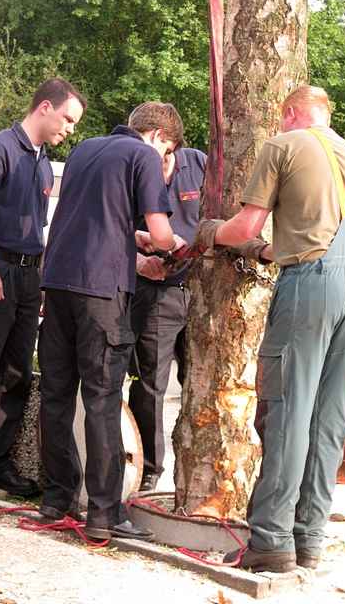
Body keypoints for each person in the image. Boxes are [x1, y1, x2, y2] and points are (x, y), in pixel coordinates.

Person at [198, 86, 345, 573]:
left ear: (291, 113)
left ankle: (272, 541)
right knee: (331, 416)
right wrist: (259, 250)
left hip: (310, 285)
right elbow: (298, 239)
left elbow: (245, 225)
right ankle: (309, 539)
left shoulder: (283, 146)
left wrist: (210, 231)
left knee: (288, 410)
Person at [38, 101, 186, 540]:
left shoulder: (85, 149)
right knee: (102, 399)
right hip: (101, 296)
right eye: (169, 153)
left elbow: (98, 223)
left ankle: (56, 497)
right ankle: (104, 514)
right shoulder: (144, 156)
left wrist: (136, 253)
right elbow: (160, 232)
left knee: (56, 396)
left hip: (59, 283)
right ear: (161, 138)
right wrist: (167, 245)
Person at [0, 78, 86, 505]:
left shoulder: (43, 162)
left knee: (17, 374)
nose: (70, 129)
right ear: (45, 106)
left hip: (25, 277)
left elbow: (38, 227)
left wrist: (37, 280)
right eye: (68, 119)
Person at [128, 146, 206, 492]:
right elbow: (112, 228)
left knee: (202, 381)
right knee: (150, 384)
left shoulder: (200, 164)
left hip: (204, 291)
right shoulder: (130, 169)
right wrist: (138, 262)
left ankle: (201, 473)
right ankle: (147, 469)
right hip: (157, 291)